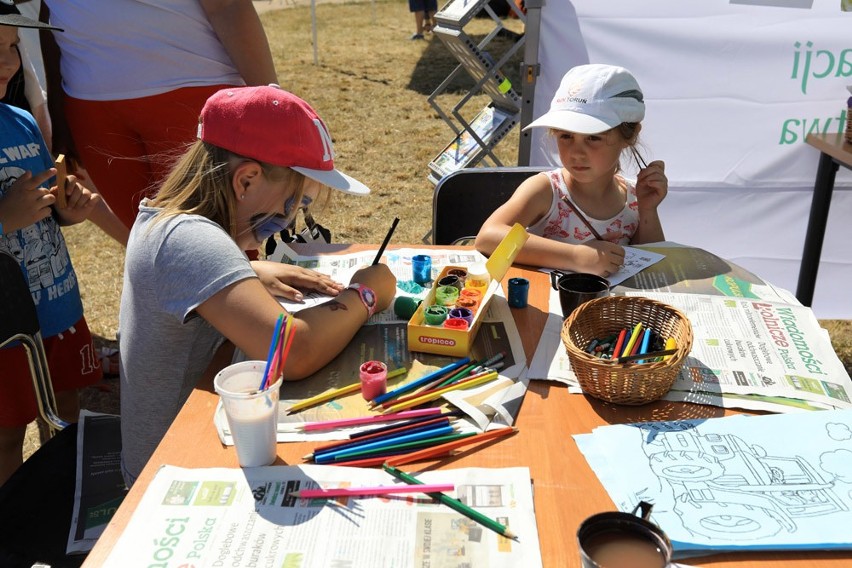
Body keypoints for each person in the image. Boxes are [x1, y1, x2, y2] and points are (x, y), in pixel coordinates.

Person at [119, 85, 397, 486]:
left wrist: (252, 272)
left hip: (192, 437)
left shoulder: (168, 220)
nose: (290, 220)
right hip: (171, 470)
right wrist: (366, 295)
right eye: (296, 204)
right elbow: (294, 351)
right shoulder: (191, 243)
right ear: (246, 180)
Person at [39, 0, 279, 245]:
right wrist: (57, 112)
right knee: (152, 241)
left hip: (194, 88)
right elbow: (49, 12)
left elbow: (228, 6)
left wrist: (273, 104)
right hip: (90, 106)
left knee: (222, 241)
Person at [0, 8, 103, 487]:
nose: (8, 64)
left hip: (58, 308)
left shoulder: (20, 120)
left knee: (66, 416)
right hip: (8, 331)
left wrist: (67, 208)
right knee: (6, 435)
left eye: (13, 48)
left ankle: (65, 506)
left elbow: (46, 203)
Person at [475, 64, 668, 278]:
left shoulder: (633, 199)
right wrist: (575, 256)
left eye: (593, 137)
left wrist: (648, 210)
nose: (576, 153)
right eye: (565, 136)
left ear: (629, 135)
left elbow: (651, 268)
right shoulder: (546, 190)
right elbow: (488, 237)